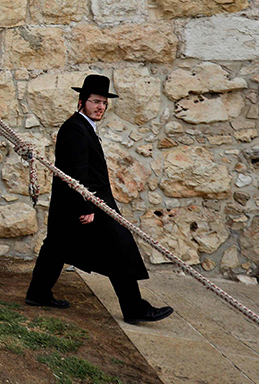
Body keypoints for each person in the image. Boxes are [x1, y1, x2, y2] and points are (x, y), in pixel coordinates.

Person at [25, 74, 174, 325]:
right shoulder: (75, 129)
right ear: (82, 101)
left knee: (57, 247)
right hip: (89, 203)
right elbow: (76, 172)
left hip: (81, 203)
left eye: (104, 103)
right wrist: (85, 205)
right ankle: (135, 308)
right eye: (95, 101)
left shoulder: (82, 127)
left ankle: (37, 294)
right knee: (120, 249)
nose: (100, 107)